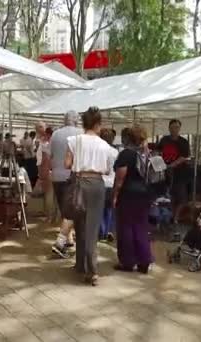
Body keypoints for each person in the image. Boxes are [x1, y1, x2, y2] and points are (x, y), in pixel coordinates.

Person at [65, 107, 114, 286]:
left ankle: (81, 265)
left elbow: (67, 163)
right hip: (97, 186)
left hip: (79, 183)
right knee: (92, 228)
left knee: (79, 225)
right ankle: (92, 270)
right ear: (97, 124)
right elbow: (108, 170)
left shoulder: (74, 140)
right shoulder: (105, 146)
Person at [112, 125, 154, 274]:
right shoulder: (148, 154)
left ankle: (128, 262)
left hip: (128, 195)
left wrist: (115, 196)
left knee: (126, 229)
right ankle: (144, 261)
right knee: (142, 228)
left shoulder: (126, 154)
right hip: (145, 195)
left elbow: (119, 179)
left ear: (128, 138)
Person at [50, 111, 83, 258]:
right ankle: (62, 242)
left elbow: (51, 155)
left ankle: (68, 239)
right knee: (72, 209)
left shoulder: (55, 134)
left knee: (64, 208)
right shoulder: (81, 133)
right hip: (72, 176)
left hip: (57, 175)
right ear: (76, 120)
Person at [157, 119, 190, 223]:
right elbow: (158, 152)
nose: (174, 129)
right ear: (169, 128)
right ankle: (169, 215)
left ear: (179, 128)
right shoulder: (164, 140)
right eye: (172, 127)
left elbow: (184, 157)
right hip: (165, 174)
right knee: (167, 196)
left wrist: (171, 165)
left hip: (180, 174)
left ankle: (175, 217)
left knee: (181, 197)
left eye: (176, 127)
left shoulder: (183, 142)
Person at [100, 128, 118, 242]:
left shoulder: (99, 150)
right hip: (112, 183)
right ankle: (109, 230)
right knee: (110, 209)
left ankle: (102, 232)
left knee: (100, 210)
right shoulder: (115, 152)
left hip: (100, 182)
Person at [35, 122, 54, 222]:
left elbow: (45, 159)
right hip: (46, 170)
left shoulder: (45, 145)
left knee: (48, 193)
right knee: (48, 193)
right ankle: (49, 215)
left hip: (46, 170)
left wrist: (43, 172)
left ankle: (49, 216)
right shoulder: (43, 143)